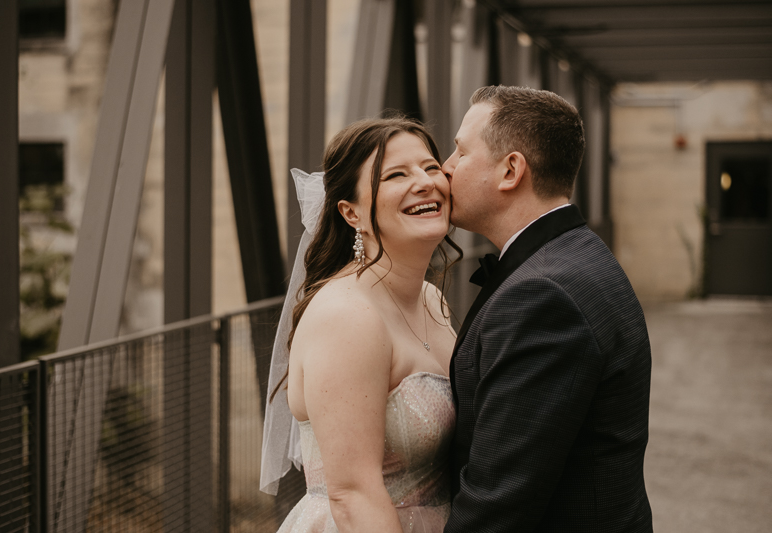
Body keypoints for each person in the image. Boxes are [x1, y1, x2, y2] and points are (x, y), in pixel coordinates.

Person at [442, 85, 653, 532]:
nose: (446, 168)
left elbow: (499, 502)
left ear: (510, 170)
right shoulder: (578, 254)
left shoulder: (542, 295)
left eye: (460, 152)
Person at [260, 117, 461, 532]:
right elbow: (351, 495)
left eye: (430, 167)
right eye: (396, 175)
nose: (425, 182)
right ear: (352, 213)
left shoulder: (430, 298)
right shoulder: (346, 316)